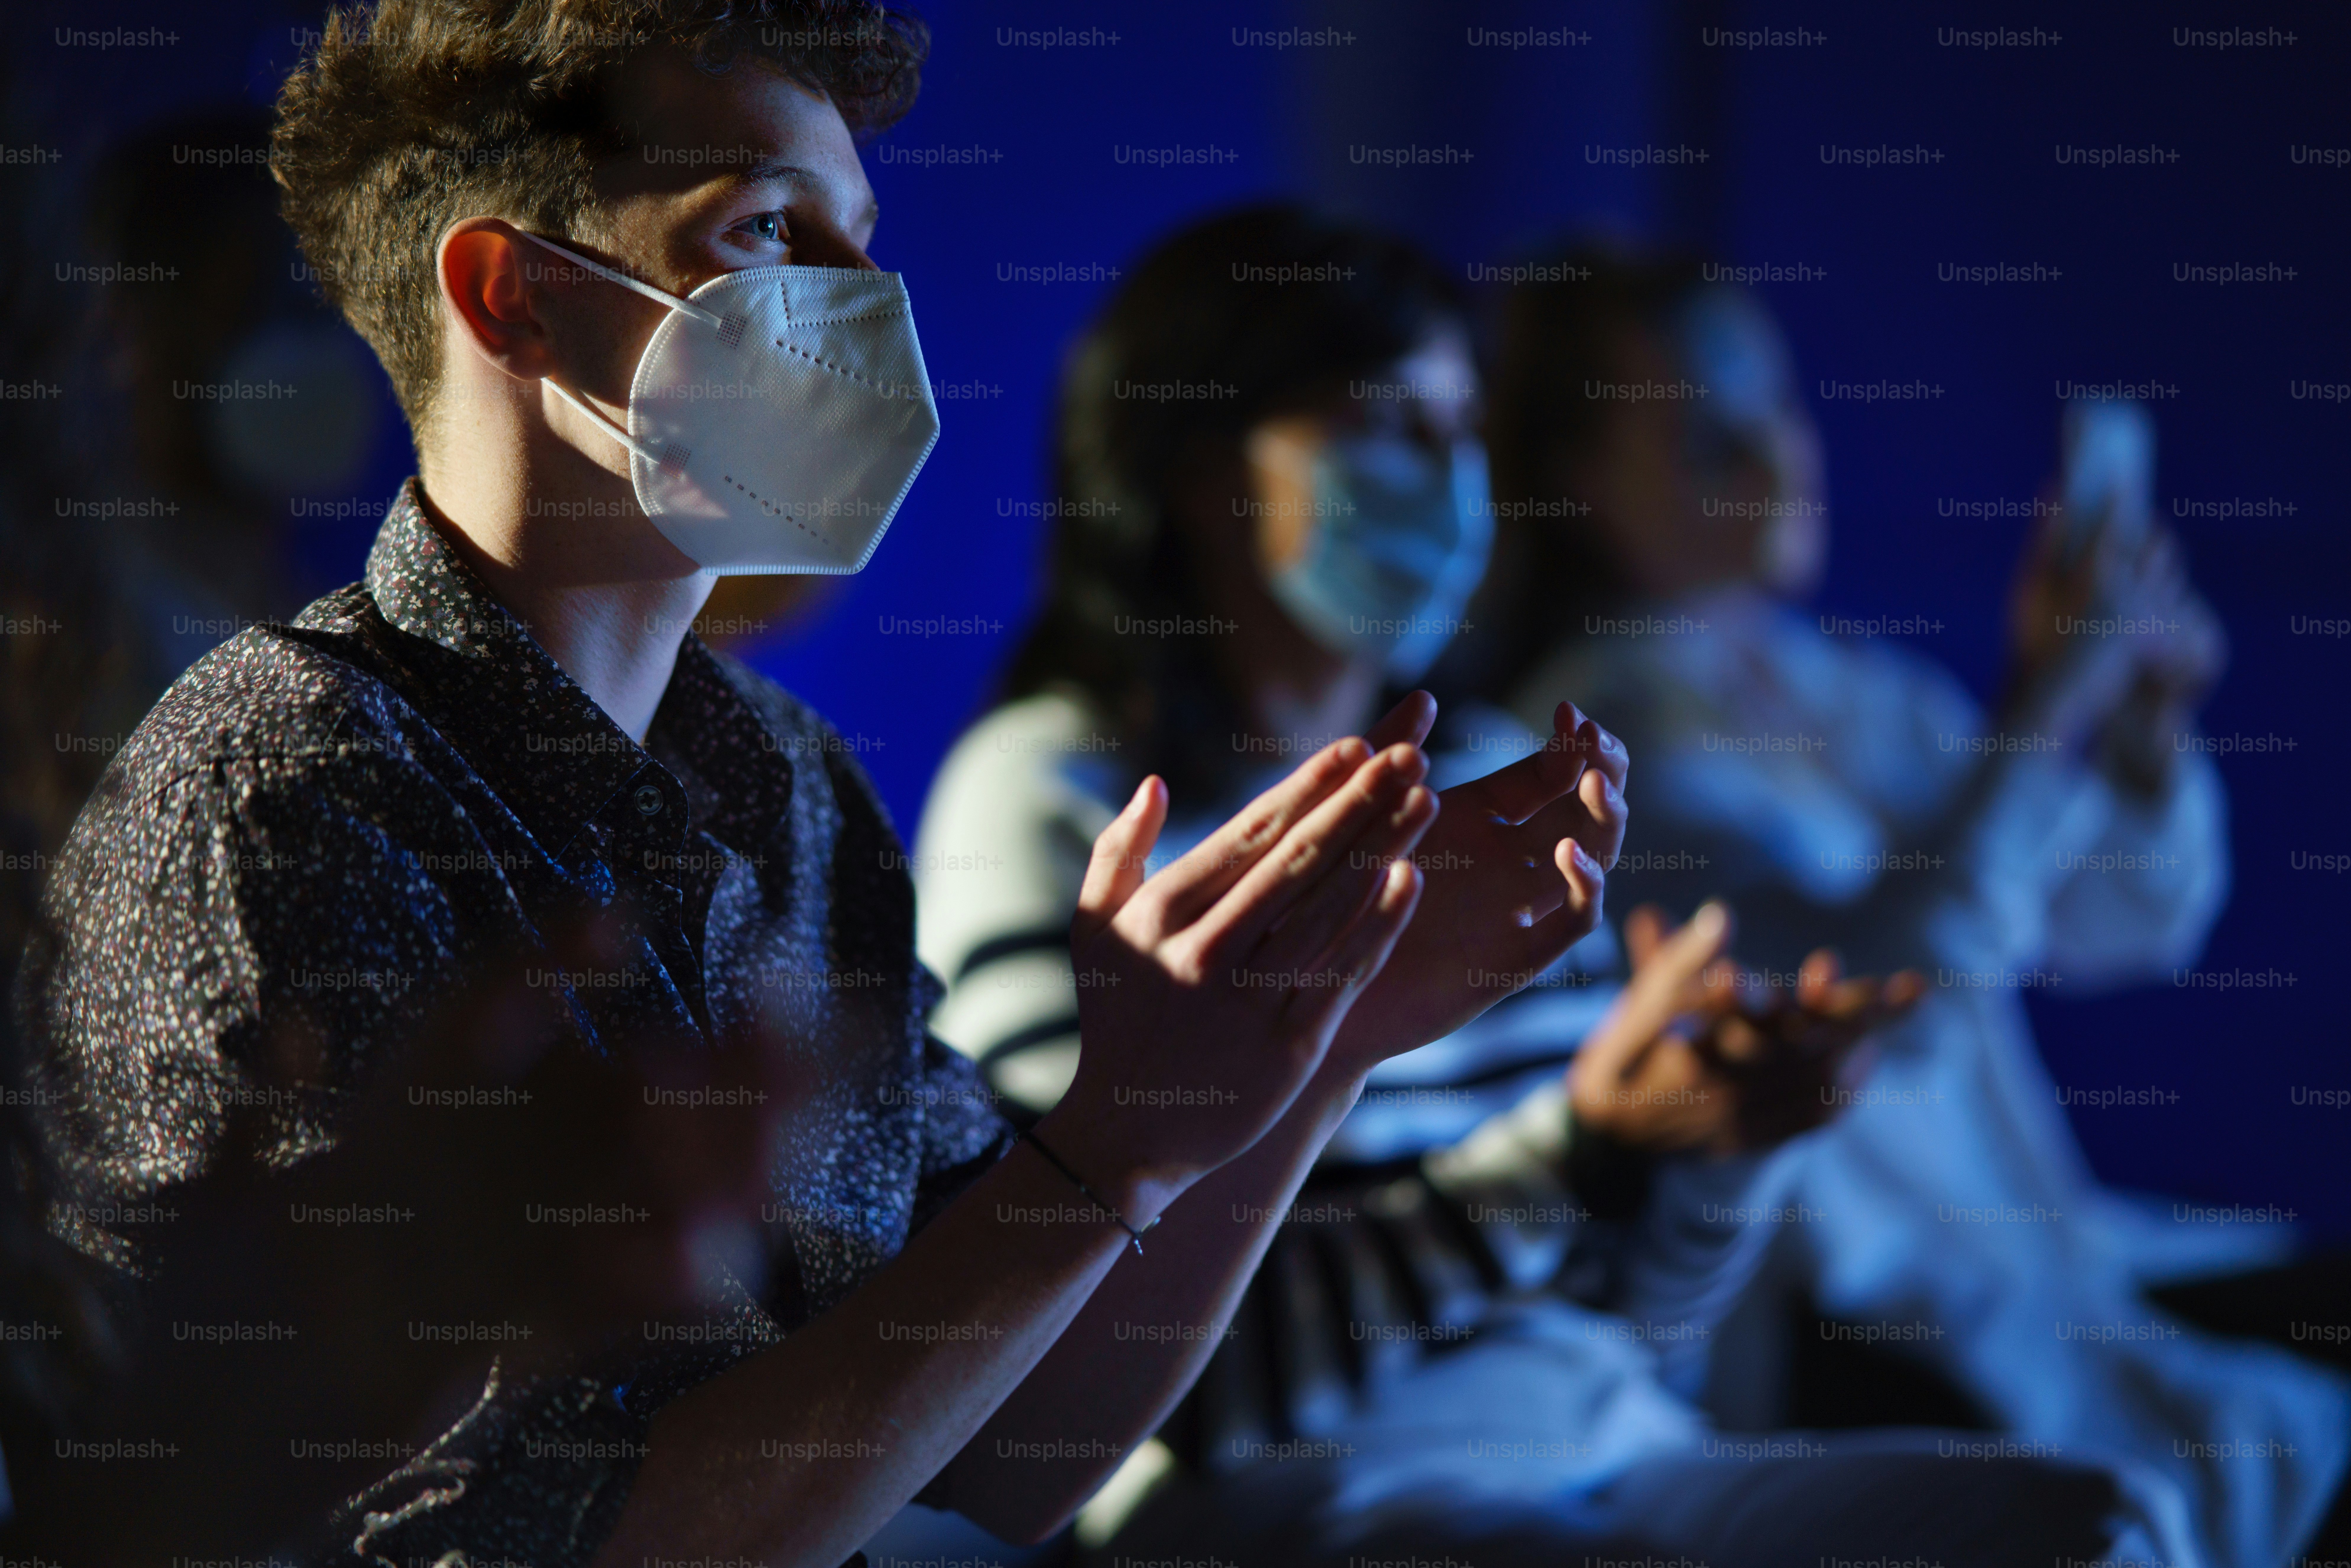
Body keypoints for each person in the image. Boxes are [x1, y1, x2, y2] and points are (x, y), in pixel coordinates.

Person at [13, 7, 1630, 1563]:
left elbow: (1018, 1448)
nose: (868, 310)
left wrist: (1309, 1039)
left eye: (865, 240)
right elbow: (488, 1544)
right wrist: (1108, 1143)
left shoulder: (789, 789)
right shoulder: (289, 788)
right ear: (513, 299)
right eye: (772, 233)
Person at [911, 205, 2156, 1568]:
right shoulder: (1061, 796)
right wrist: (1571, 1154)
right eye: (1392, 426)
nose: (1455, 482)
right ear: (1204, 466)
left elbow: (1640, 1324)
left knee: (2092, 1524)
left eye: (1466, 431)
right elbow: (1099, 1361)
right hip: (1296, 1491)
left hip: (1602, 1438)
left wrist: (1714, 1152)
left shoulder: (1487, 771)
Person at [1458, 244, 2350, 1568]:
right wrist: (2049, 702)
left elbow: (2123, 920)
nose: (1774, 461)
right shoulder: (1584, 749)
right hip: (1842, 1321)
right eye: (1709, 435)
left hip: (2030, 1264)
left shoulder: (1835, 687)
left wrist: (2137, 733)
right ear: (1580, 482)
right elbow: (1881, 993)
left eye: (1779, 410)